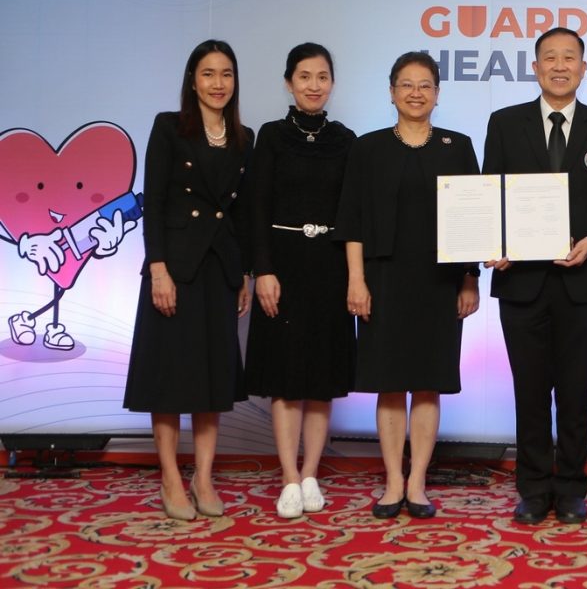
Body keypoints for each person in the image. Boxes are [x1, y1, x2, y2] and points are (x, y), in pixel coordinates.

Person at [482, 26, 587, 525]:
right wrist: (497, 243)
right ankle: (532, 489)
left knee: (575, 392)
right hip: (521, 284)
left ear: (584, 68)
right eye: (550, 57)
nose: (560, 66)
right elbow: (491, 194)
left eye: (570, 57)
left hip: (583, 283)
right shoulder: (505, 123)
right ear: (535, 67)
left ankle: (570, 487)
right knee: (528, 393)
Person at [334, 51, 481, 521]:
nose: (416, 93)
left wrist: (470, 279)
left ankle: (417, 481)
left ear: (437, 93)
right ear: (391, 91)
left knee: (429, 383)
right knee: (390, 384)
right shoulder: (368, 148)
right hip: (383, 279)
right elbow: (352, 220)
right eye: (406, 84)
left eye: (425, 85)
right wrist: (356, 280)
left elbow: (475, 220)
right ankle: (393, 481)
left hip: (440, 282)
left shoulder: (458, 147)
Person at [123, 39, 254, 521]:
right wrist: (157, 268)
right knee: (169, 377)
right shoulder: (169, 127)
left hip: (219, 269)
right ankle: (170, 478)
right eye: (208, 74)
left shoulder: (244, 137)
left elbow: (240, 213)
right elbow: (154, 202)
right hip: (175, 269)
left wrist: (243, 271)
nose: (218, 83)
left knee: (210, 378)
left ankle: (203, 477)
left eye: (226, 74)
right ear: (192, 80)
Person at [243, 43, 356, 519]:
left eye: (322, 76)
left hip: (331, 266)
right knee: (287, 379)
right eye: (304, 76)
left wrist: (355, 277)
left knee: (321, 379)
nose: (314, 85)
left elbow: (353, 213)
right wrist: (262, 270)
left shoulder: (346, 139)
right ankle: (288, 476)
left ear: (333, 83)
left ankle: (311, 473)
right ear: (288, 82)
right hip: (283, 266)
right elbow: (256, 208)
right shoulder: (270, 136)